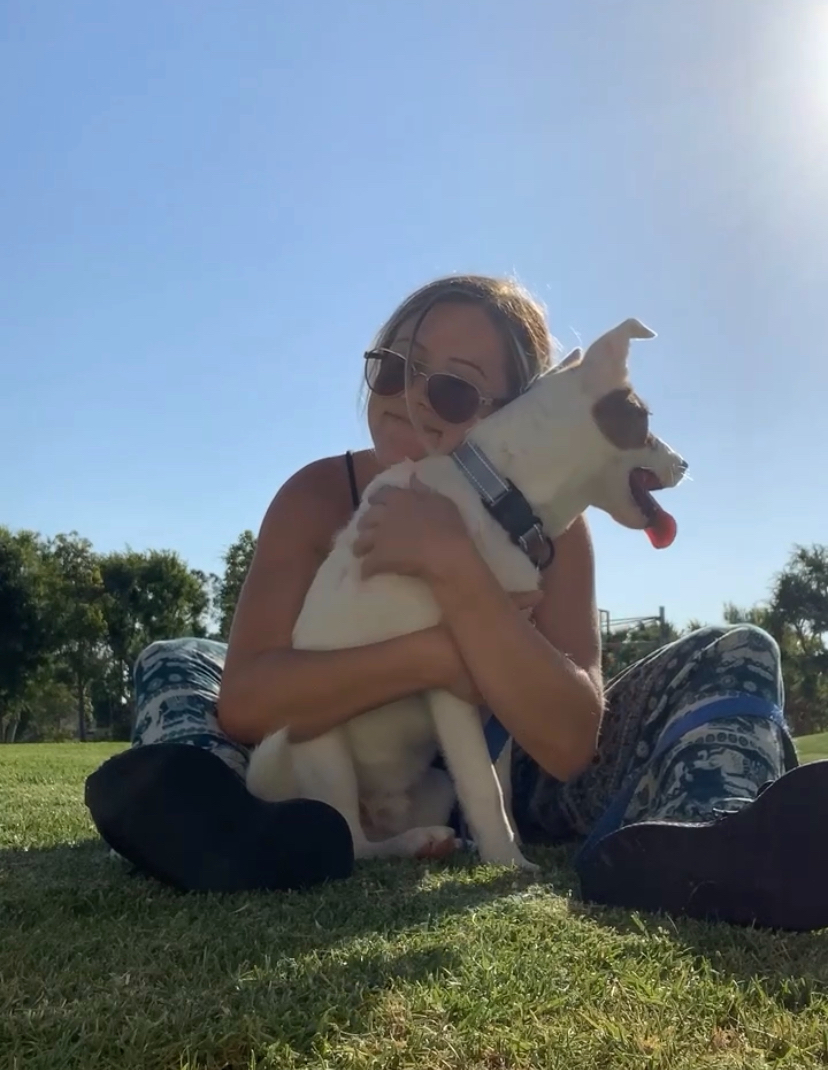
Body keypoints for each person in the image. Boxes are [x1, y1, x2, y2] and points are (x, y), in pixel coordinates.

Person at [85, 274, 823, 931]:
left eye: (454, 390)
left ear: (515, 414)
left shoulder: (557, 531)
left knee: (739, 648)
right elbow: (246, 704)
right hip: (320, 762)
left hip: (522, 777)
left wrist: (453, 564)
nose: (412, 401)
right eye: (393, 370)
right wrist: (433, 657)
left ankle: (715, 841)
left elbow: (570, 743)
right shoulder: (319, 495)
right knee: (180, 660)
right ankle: (231, 829)